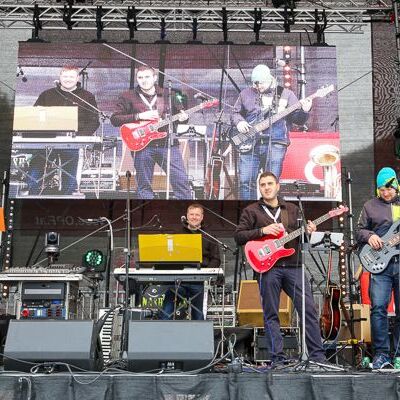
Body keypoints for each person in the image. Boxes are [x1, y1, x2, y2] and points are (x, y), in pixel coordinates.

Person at [234, 171, 326, 363]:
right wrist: (262, 230)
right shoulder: (251, 211)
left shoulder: (292, 209)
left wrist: (309, 232)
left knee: (308, 309)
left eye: (270, 184)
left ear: (277, 186)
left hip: (293, 265)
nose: (266, 187)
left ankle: (317, 356)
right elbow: (239, 236)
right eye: (263, 185)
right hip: (267, 269)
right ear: (259, 188)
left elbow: (302, 239)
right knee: (271, 314)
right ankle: (277, 359)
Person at [231, 64, 312, 200]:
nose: (258, 86)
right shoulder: (245, 94)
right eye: (255, 83)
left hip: (275, 143)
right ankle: (249, 210)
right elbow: (235, 113)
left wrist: (305, 111)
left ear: (270, 78)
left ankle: (270, 210)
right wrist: (239, 122)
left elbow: (298, 120)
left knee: (271, 183)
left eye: (261, 83)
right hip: (250, 144)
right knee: (245, 182)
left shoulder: (286, 94)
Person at [110, 65, 191, 199]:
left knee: (181, 180)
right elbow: (115, 119)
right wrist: (139, 116)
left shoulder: (169, 94)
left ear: (154, 78)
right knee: (144, 186)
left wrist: (184, 118)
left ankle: (186, 208)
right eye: (140, 77)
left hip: (167, 144)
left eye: (147, 77)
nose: (144, 80)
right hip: (142, 147)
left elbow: (180, 118)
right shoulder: (127, 96)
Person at [27, 65, 100, 195]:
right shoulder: (47, 94)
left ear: (77, 78)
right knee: (37, 165)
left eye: (71, 76)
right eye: (65, 76)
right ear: (60, 77)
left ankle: (68, 195)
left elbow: (94, 121)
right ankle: (32, 192)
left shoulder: (87, 97)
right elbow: (35, 116)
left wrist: (80, 137)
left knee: (70, 169)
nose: (68, 79)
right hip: (47, 139)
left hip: (72, 141)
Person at [356, 167, 400, 369]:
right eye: (382, 189)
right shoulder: (370, 206)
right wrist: (370, 236)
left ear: (396, 186)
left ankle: (398, 355)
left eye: (389, 189)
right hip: (380, 266)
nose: (386, 193)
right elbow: (359, 231)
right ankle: (381, 355)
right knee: (379, 309)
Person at [161, 203, 221, 320]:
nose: (194, 217)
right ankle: (163, 328)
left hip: (198, 280)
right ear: (187, 216)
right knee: (167, 310)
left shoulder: (209, 235)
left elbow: (216, 259)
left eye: (197, 215)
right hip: (178, 278)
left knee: (198, 314)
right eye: (192, 214)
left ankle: (198, 331)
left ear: (202, 217)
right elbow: (168, 254)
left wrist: (205, 273)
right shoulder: (177, 233)